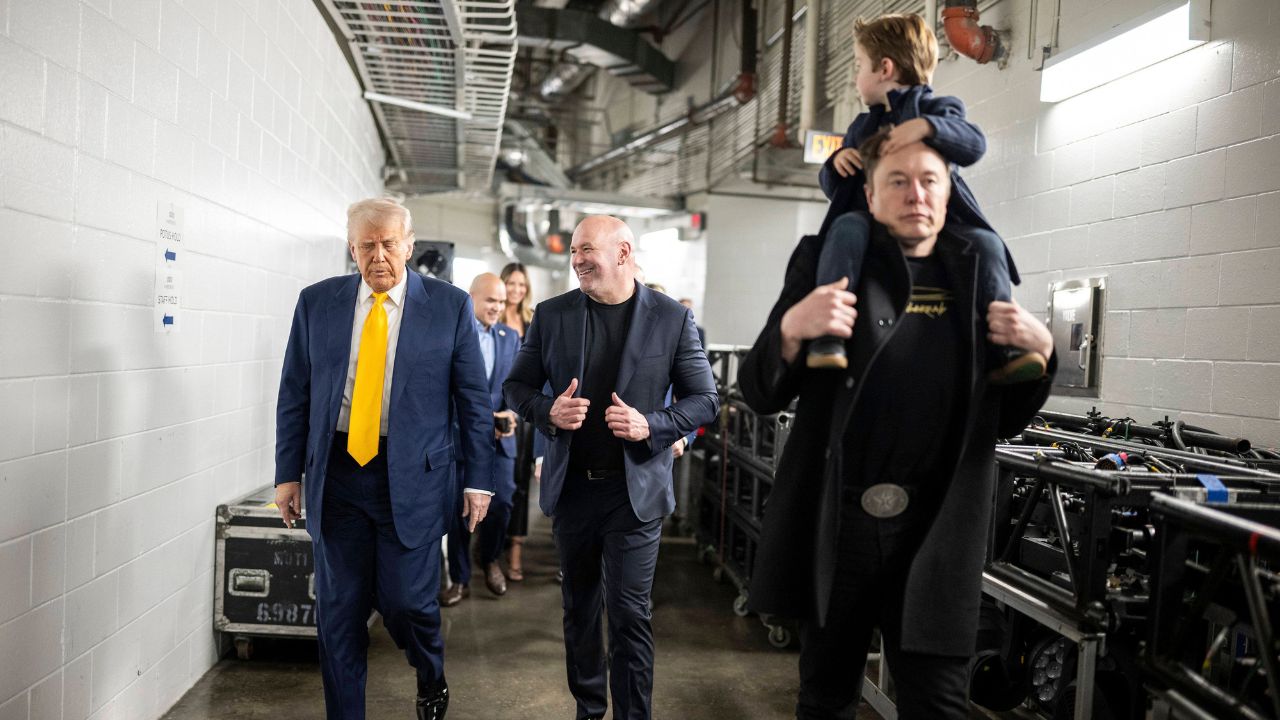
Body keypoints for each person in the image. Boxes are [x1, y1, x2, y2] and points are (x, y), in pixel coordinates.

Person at [739, 133, 1056, 720]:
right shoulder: (828, 263)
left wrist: (1045, 354)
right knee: (826, 698)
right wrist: (791, 328)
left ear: (948, 191)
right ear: (869, 192)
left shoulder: (977, 273)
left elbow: (1004, 420)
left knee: (936, 707)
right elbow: (758, 391)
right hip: (841, 529)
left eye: (929, 181)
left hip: (935, 532)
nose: (916, 194)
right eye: (898, 181)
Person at [274, 198, 495, 720]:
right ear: (351, 248)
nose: (378, 256)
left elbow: (473, 402)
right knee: (339, 615)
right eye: (367, 245)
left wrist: (478, 481)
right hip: (339, 476)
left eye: (389, 244)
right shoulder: (317, 303)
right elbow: (295, 393)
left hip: (414, 481)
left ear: (409, 246)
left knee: (406, 604)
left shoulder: (448, 306)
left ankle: (430, 672)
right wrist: (288, 474)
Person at [504, 216, 719, 720]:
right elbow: (517, 387)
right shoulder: (552, 314)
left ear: (623, 253)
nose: (577, 259)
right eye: (574, 251)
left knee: (628, 615)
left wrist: (653, 425)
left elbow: (705, 399)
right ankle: (588, 707)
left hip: (634, 493)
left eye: (586, 249)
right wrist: (548, 412)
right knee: (579, 611)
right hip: (574, 490)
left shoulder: (671, 318)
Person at [806, 13, 1042, 385]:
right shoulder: (860, 127)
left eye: (858, 67)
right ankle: (829, 335)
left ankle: (1005, 345)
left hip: (940, 225)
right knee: (844, 228)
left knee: (987, 244)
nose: (855, 78)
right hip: (874, 222)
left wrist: (930, 127)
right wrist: (835, 164)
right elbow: (837, 190)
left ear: (884, 68)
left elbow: (974, 144)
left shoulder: (937, 108)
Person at [440, 274, 521, 606]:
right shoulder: (453, 334)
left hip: (500, 441)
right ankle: (460, 579)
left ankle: (489, 558)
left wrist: (511, 413)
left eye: (501, 302)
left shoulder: (510, 337)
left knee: (501, 504)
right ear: (471, 298)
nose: (497, 308)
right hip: (460, 438)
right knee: (459, 511)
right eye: (491, 301)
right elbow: (444, 390)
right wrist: (487, 417)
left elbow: (516, 385)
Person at [500, 262, 535, 581]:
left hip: (524, 415)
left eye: (521, 285)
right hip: (496, 410)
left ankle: (515, 550)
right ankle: (490, 549)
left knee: (520, 482)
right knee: (496, 480)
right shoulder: (491, 316)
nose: (516, 290)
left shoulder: (531, 320)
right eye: (511, 283)